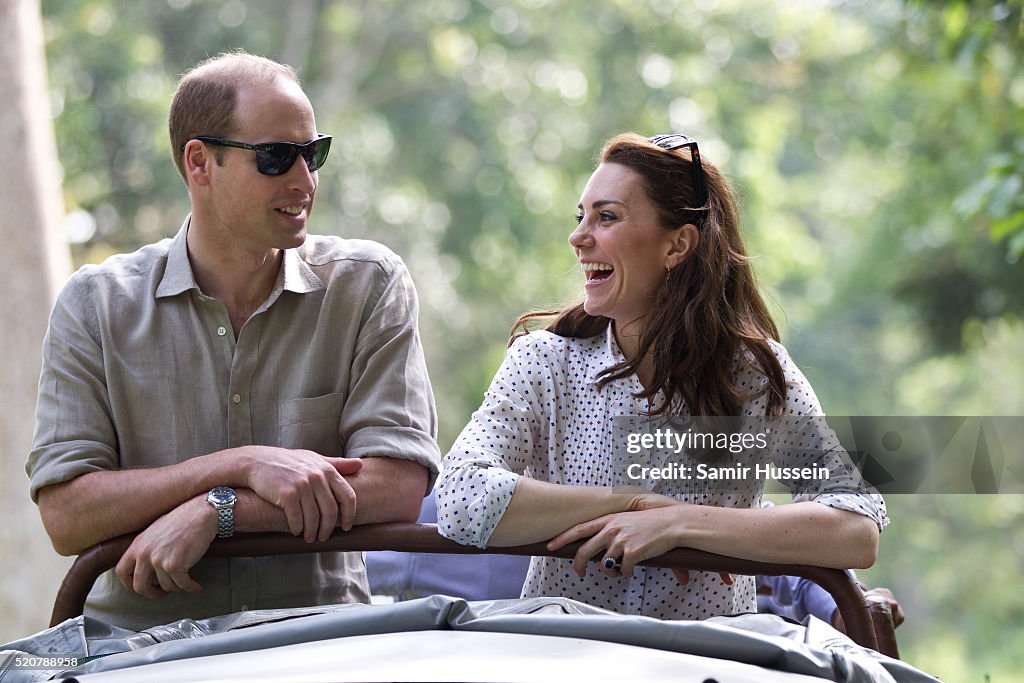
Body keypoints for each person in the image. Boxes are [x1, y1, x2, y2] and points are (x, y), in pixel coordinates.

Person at [26, 51, 440, 631]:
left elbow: (397, 486)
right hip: (138, 654)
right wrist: (239, 465)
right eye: (276, 157)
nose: (305, 179)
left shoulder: (367, 285)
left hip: (320, 647)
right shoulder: (95, 305)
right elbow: (68, 516)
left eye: (313, 153)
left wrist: (217, 511)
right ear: (200, 163)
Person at [436, 132, 888, 620]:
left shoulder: (754, 374)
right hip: (566, 658)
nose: (578, 236)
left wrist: (680, 524)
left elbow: (856, 526)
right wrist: (632, 505)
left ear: (677, 245)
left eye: (606, 217)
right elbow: (461, 497)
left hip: (710, 666)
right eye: (580, 216)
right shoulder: (543, 362)